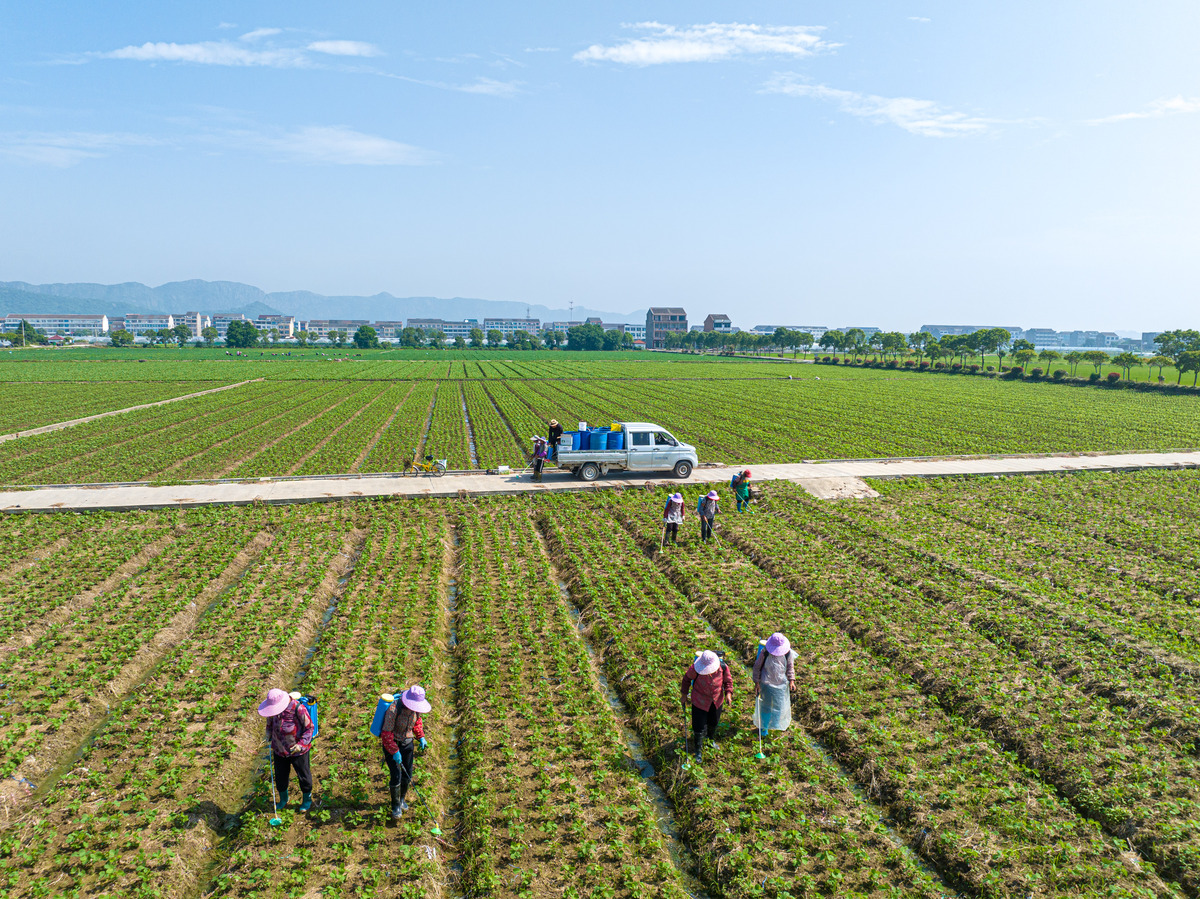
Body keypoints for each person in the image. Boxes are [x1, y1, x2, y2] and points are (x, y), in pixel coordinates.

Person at [258, 688, 315, 812]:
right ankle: (283, 799)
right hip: (279, 750)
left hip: (298, 751)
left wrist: (300, 745)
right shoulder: (272, 711)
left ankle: (307, 800)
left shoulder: (297, 708)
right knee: (280, 777)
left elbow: (309, 728)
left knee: (304, 776)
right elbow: (270, 723)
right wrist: (268, 734)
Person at [380, 685, 431, 820]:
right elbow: (386, 734)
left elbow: (417, 723)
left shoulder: (416, 711)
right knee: (396, 774)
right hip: (393, 743)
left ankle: (402, 799)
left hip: (407, 743)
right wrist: (394, 751)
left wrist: (421, 737)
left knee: (408, 773)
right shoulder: (394, 709)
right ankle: (395, 805)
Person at [680, 650, 733, 762]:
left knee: (714, 721)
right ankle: (698, 750)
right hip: (700, 701)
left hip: (716, 700)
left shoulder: (722, 667)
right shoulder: (695, 668)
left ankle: (710, 739)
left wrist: (728, 694)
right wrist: (684, 695)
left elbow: (728, 681)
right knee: (699, 726)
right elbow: (686, 680)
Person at [752, 633, 797, 737]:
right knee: (766, 707)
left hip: (781, 685)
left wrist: (791, 681)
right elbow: (757, 667)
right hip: (766, 684)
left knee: (778, 707)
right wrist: (757, 683)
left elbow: (790, 667)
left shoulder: (788, 653)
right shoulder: (765, 652)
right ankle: (764, 727)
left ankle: (775, 726)